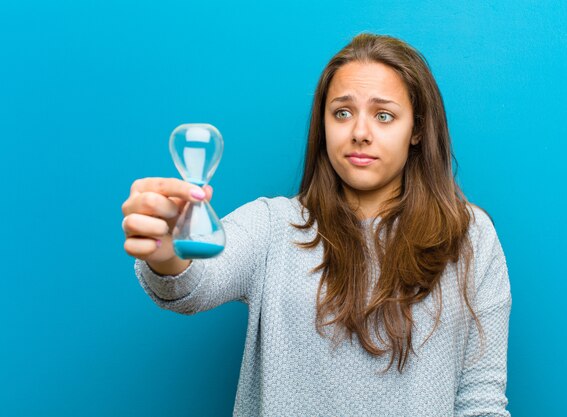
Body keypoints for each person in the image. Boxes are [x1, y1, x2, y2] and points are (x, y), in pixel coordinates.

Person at [121, 33, 512, 416]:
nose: (359, 132)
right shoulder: (275, 225)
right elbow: (194, 284)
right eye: (342, 112)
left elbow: (481, 402)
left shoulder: (469, 237)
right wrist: (166, 251)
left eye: (384, 115)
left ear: (418, 129)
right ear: (322, 124)